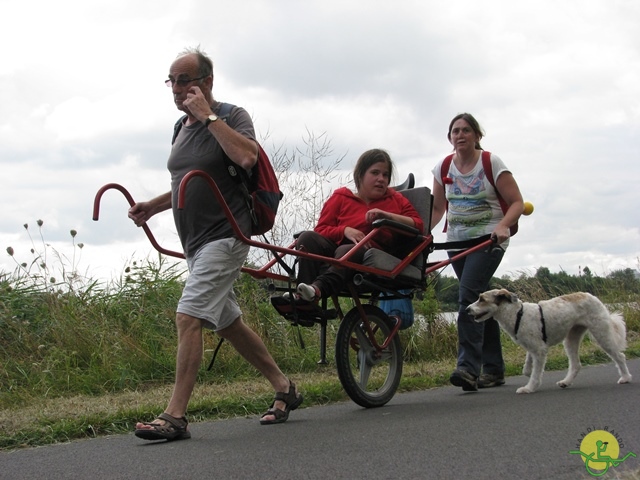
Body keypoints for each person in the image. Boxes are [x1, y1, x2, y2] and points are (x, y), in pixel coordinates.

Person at [128, 47, 302, 441]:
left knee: (189, 316)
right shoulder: (180, 128)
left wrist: (208, 116)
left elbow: (245, 156)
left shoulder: (230, 116)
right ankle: (284, 387)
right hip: (195, 242)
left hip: (227, 236)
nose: (177, 88)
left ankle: (175, 417)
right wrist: (153, 207)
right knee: (229, 323)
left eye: (185, 79)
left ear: (207, 81)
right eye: (171, 80)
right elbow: (184, 181)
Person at [430, 113, 524, 392]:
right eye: (455, 131)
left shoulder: (491, 163)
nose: (460, 135)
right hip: (457, 242)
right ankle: (493, 370)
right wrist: (424, 232)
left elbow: (517, 201)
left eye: (466, 130)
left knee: (468, 295)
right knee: (481, 298)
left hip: (488, 241)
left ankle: (468, 368)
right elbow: (437, 209)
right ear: (450, 138)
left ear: (477, 136)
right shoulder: (443, 166)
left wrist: (504, 225)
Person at [291, 149, 424, 303]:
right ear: (360, 175)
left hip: (369, 252)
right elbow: (321, 230)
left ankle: (317, 290)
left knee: (347, 250)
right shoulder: (341, 197)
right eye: (375, 173)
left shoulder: (395, 199)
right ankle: (303, 299)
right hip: (336, 249)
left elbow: (419, 225)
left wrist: (387, 216)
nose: (381, 179)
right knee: (307, 238)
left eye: (385, 175)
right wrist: (345, 230)